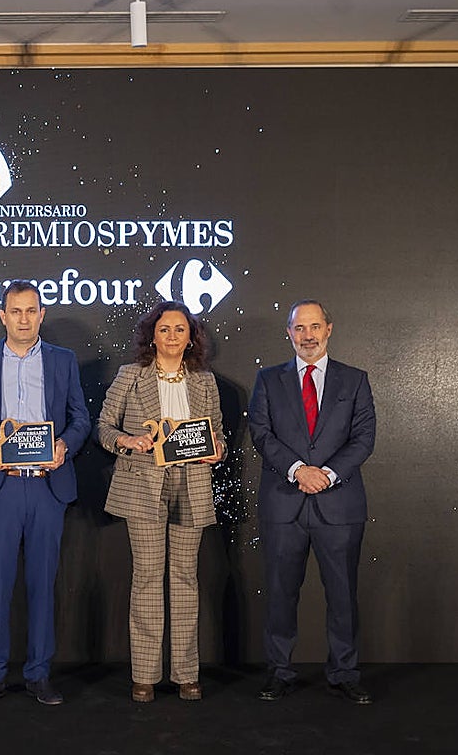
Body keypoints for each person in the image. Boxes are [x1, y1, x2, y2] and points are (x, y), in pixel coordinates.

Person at [0, 281, 91, 706]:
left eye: (31, 310)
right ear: (3, 316)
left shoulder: (63, 360)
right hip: (2, 487)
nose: (24, 319)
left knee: (42, 585)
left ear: (42, 314)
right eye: (16, 311)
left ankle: (39, 673)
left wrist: (65, 445)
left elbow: (80, 418)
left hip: (48, 486)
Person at [96, 301, 226, 703]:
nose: (172, 336)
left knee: (185, 578)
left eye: (180, 329)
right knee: (148, 578)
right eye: (164, 329)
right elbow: (104, 427)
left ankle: (186, 674)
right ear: (152, 336)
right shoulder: (130, 376)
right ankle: (145, 676)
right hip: (143, 487)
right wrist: (128, 441)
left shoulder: (205, 381)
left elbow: (218, 434)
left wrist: (217, 450)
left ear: (191, 338)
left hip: (192, 485)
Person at [248, 300, 376, 704]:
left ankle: (344, 673)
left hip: (339, 506)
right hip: (283, 505)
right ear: (289, 332)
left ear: (329, 329)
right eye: (299, 328)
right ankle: (279, 672)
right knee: (280, 594)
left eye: (314, 326)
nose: (308, 335)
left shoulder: (355, 380)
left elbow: (363, 439)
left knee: (342, 595)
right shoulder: (268, 380)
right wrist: (298, 470)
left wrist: (327, 474)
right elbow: (261, 433)